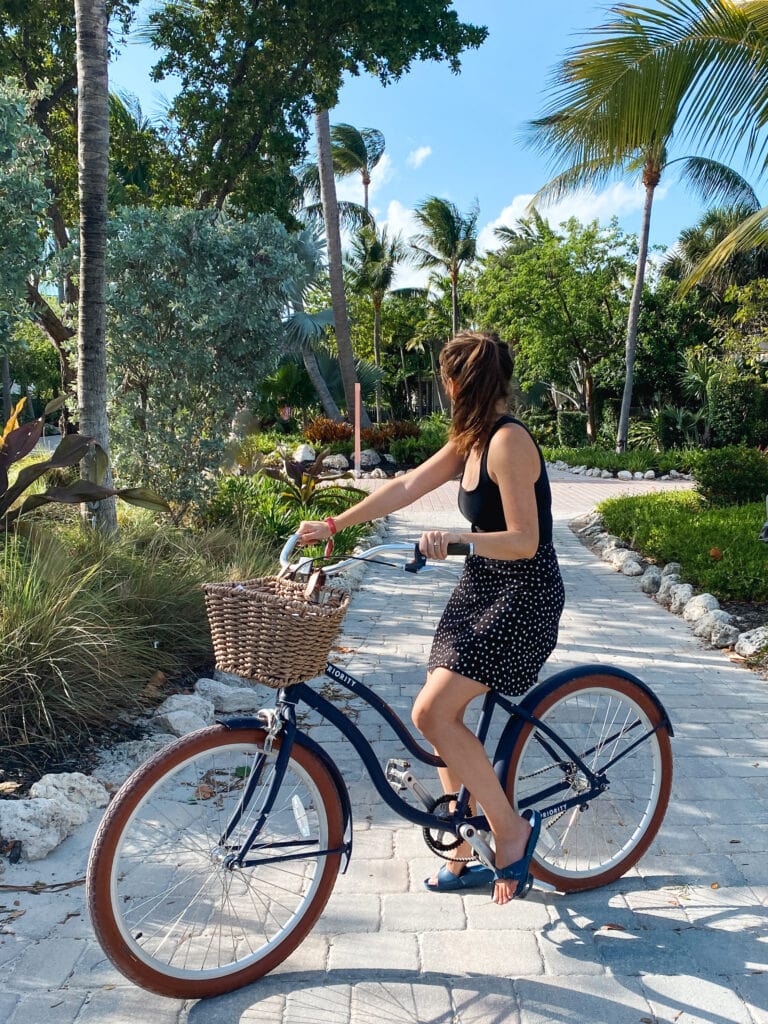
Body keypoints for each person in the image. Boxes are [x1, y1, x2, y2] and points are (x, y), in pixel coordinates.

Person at [297, 331, 565, 905]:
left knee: (432, 712)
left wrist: (460, 538)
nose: (445, 389)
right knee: (444, 712)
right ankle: (463, 846)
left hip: (525, 594)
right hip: (482, 589)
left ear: (458, 383)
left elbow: (524, 541)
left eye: (448, 378)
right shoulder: (469, 441)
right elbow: (404, 485)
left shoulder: (507, 444)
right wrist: (336, 524)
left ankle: (511, 833)